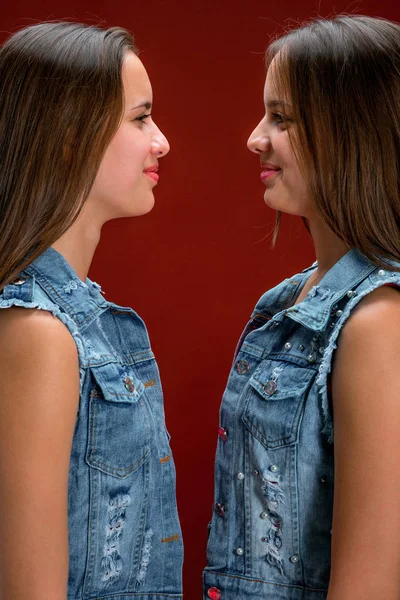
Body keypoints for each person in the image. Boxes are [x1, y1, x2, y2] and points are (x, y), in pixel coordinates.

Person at [203, 14, 400, 600]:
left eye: (281, 117)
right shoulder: (284, 303)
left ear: (352, 130)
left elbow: (370, 582)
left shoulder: (376, 321)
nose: (255, 138)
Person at [0, 22, 183, 599]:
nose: (162, 142)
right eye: (140, 118)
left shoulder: (78, 320)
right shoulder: (38, 332)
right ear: (69, 136)